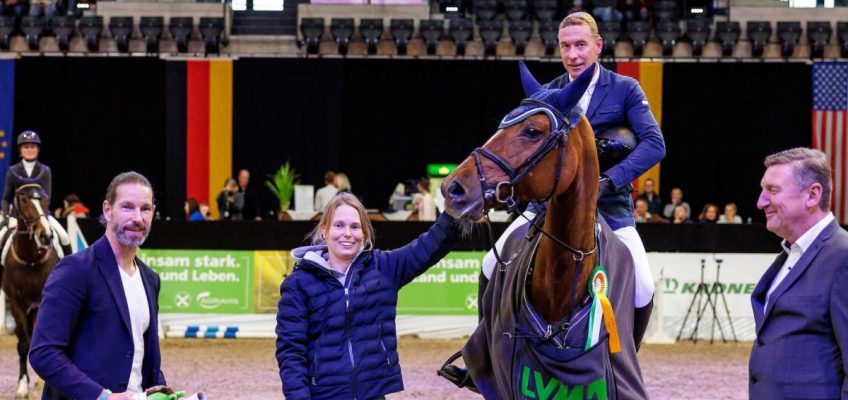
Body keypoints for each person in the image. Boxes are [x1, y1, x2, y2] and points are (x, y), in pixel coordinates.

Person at [484, 11, 665, 342]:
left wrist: (608, 181)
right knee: (489, 264)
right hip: (547, 208)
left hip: (610, 207)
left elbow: (655, 145)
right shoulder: (547, 94)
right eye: (565, 46)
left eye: (580, 45)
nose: (572, 55)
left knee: (643, 284)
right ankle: (485, 345)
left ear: (598, 46)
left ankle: (626, 359)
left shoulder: (625, 89)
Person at [276, 192, 458, 399]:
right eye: (339, 225)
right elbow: (291, 352)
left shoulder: (383, 268)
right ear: (324, 230)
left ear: (364, 233)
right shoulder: (298, 283)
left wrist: (455, 211)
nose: (347, 233)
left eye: (354, 227)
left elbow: (428, 247)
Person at [29, 172, 172, 400]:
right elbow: (43, 353)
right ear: (108, 210)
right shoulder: (74, 271)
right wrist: (101, 396)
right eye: (127, 207)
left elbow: (143, 359)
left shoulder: (150, 279)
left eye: (145, 209)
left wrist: (163, 393)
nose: (137, 218)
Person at [749, 148, 848, 399]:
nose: (760, 202)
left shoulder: (842, 256)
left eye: (773, 190)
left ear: (812, 195)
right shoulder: (791, 253)